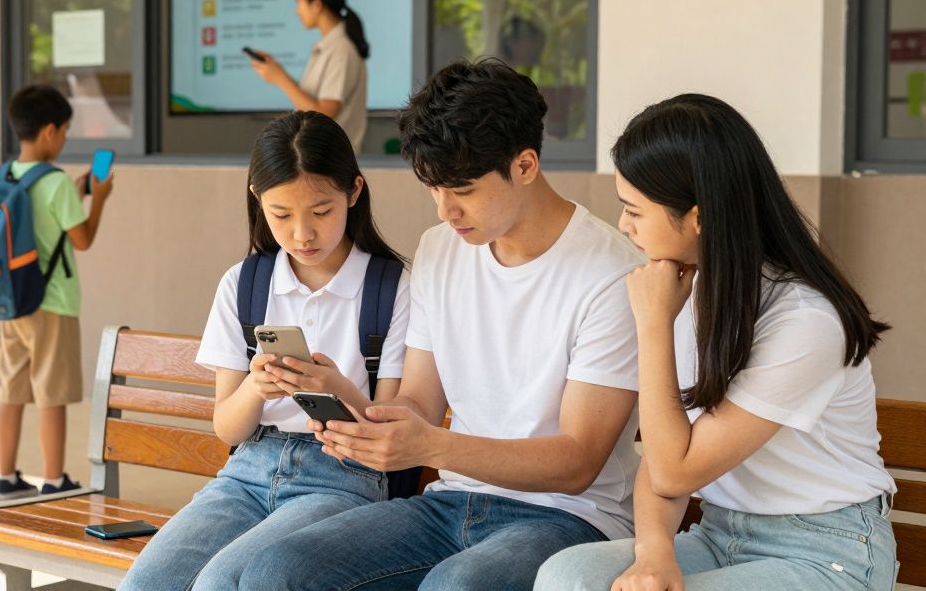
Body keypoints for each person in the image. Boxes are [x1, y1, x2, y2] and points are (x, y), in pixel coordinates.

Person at [238, 58, 644, 591]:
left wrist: (431, 447)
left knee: (455, 586)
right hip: (450, 502)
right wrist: (352, 406)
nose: (445, 211)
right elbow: (420, 405)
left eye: (463, 190)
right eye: (433, 189)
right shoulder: (440, 250)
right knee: (277, 571)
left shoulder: (612, 273)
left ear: (524, 165)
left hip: (568, 517)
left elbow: (576, 463)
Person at [535, 94, 898, 590]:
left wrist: (654, 325)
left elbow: (674, 472)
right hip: (718, 535)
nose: (623, 225)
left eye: (634, 211)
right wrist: (654, 553)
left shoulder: (807, 321)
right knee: (567, 576)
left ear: (699, 217)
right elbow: (663, 453)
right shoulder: (691, 285)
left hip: (826, 551)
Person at [118, 110, 410, 590]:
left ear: (354, 192)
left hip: (342, 479)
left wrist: (337, 388)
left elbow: (393, 434)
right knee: (146, 583)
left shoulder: (391, 289)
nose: (302, 233)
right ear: (258, 199)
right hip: (246, 472)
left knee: (221, 583)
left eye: (321, 212)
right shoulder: (245, 284)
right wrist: (255, 388)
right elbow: (227, 427)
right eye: (282, 215)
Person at [0, 84, 114, 500]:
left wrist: (74, 196)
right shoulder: (57, 182)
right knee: (51, 394)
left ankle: (5, 478)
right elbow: (82, 239)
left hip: (11, 299)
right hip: (52, 302)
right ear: (48, 131)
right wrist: (98, 199)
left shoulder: (2, 175)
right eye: (63, 131)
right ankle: (54, 479)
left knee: (11, 390)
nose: (63, 139)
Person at [250, 0, 370, 154]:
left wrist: (281, 79)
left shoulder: (341, 50)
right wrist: (277, 72)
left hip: (331, 160)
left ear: (316, 4)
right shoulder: (328, 46)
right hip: (322, 158)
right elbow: (311, 102)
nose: (297, 10)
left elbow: (324, 114)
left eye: (298, 1)